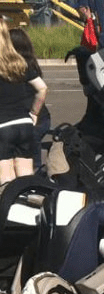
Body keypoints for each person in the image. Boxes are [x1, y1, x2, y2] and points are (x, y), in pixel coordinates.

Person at [0, 20, 46, 184]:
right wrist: (34, 113)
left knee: (6, 180)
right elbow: (42, 88)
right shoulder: (20, 63)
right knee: (26, 176)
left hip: (2, 126)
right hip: (24, 123)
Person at [10, 27, 50, 171]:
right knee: (32, 159)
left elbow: (42, 89)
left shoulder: (18, 67)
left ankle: (32, 183)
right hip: (40, 118)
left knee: (28, 161)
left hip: (29, 120)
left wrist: (34, 113)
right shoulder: (31, 63)